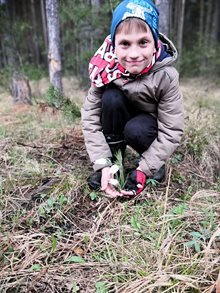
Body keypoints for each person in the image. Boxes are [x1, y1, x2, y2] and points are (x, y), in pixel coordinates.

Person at [81, 0, 184, 199]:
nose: (134, 54)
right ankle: (114, 165)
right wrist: (102, 163)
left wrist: (143, 170)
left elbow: (171, 130)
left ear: (155, 44)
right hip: (120, 118)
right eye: (125, 44)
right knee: (110, 98)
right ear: (114, 45)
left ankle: (154, 166)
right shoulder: (105, 70)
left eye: (143, 42)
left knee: (136, 129)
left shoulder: (166, 76)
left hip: (147, 129)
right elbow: (90, 119)